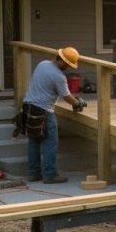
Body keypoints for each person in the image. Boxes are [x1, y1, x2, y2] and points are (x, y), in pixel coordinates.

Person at [22, 46, 82, 183]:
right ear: (61, 60)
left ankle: (34, 174)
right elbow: (67, 97)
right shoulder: (59, 76)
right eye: (67, 64)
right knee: (50, 142)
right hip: (43, 111)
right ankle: (50, 175)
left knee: (34, 141)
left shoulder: (42, 64)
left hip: (28, 107)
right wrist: (77, 103)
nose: (68, 67)